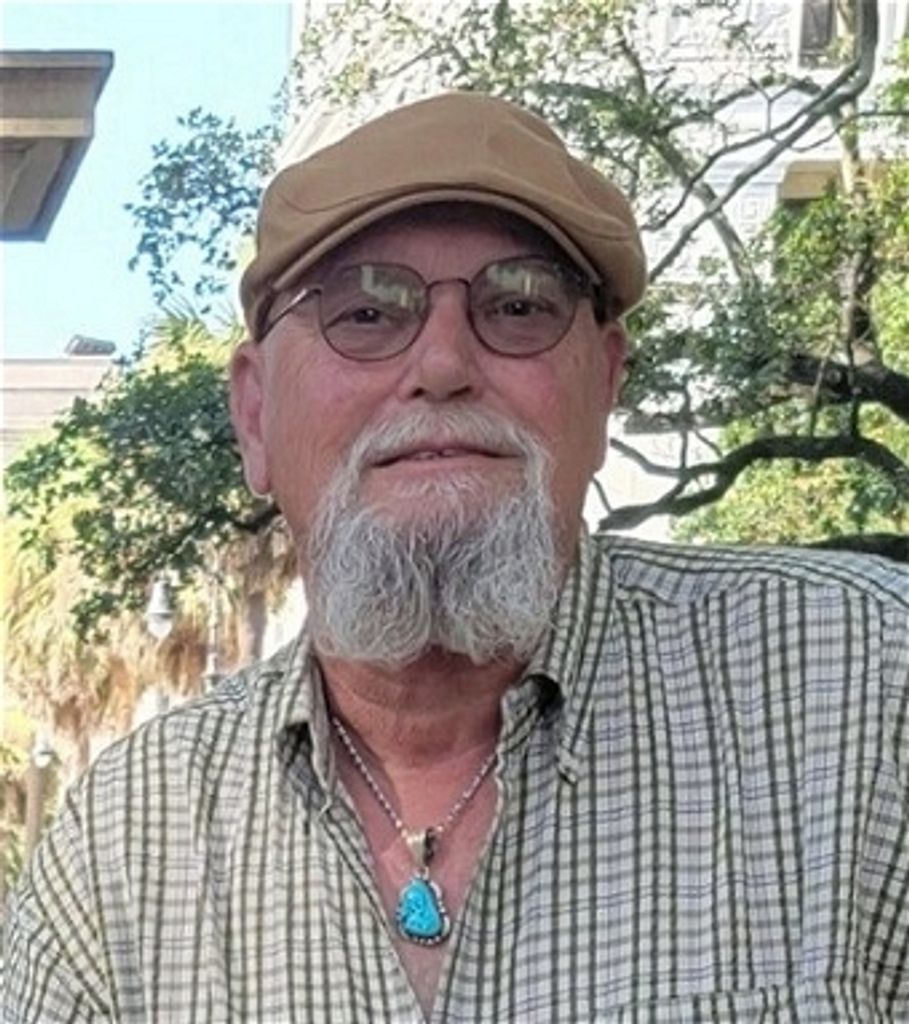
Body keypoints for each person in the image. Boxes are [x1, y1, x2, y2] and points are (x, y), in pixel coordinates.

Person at [3, 92, 907, 1024]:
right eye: (364, 313)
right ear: (257, 414)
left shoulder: (866, 693)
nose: (442, 364)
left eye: (517, 306)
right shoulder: (125, 848)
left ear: (603, 383)